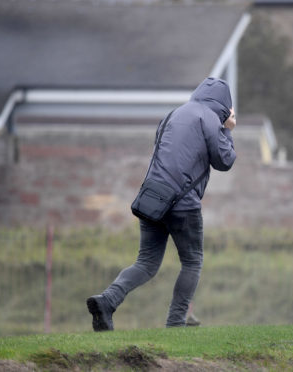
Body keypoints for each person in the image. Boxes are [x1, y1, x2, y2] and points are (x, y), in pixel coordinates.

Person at [87, 77, 237, 330]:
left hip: (152, 197)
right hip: (183, 203)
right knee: (192, 261)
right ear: (224, 105)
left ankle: (107, 301)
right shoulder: (211, 118)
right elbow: (225, 160)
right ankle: (176, 323)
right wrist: (228, 130)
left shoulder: (173, 114)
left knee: (145, 263)